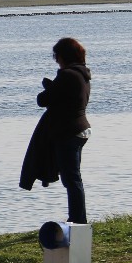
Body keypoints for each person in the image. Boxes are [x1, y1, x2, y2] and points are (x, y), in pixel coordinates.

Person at [34, 37, 92, 223]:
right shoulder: (83, 74)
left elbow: (43, 99)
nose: (56, 60)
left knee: (71, 179)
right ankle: (78, 218)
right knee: (74, 177)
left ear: (62, 56)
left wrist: (50, 88)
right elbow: (68, 98)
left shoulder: (67, 75)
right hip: (81, 128)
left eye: (56, 56)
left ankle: (78, 220)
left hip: (68, 131)